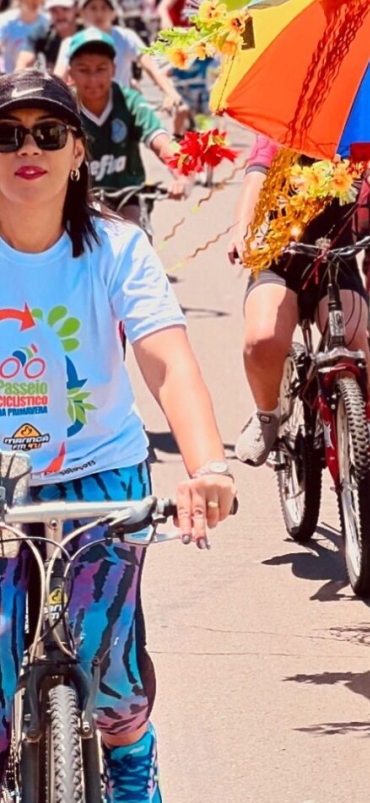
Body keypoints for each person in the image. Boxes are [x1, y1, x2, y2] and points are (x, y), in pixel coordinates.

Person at [0, 68, 236, 802]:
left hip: (102, 476)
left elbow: (169, 366)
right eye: (6, 136)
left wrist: (210, 467)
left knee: (114, 678)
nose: (26, 149)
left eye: (48, 133)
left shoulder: (116, 248)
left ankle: (133, 773)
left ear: (79, 153)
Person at [229, 135, 370, 482]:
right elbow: (255, 179)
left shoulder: (350, 134)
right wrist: (241, 232)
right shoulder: (278, 131)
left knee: (355, 339)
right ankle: (267, 417)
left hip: (335, 260)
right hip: (279, 261)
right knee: (263, 340)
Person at [64, 28, 188, 221]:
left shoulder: (130, 101)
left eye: (101, 69)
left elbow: (160, 140)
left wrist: (181, 172)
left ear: (113, 69)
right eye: (84, 70)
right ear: (70, 72)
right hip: (78, 200)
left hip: (127, 196)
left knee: (135, 234)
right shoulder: (64, 108)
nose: (93, 79)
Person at [56, 0, 185, 128]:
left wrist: (170, 92)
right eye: (93, 8)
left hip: (121, 110)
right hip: (86, 112)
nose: (99, 14)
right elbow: (58, 78)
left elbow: (150, 65)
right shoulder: (70, 43)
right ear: (83, 12)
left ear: (113, 12)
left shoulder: (125, 37)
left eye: (104, 8)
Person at [15, 0, 82, 72]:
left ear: (76, 8)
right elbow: (24, 62)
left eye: (65, 9)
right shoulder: (41, 34)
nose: (60, 15)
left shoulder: (88, 35)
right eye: (54, 10)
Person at [0, 0, 47, 74]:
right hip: (10, 81)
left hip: (41, 81)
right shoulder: (6, 21)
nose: (34, 2)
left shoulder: (47, 22)